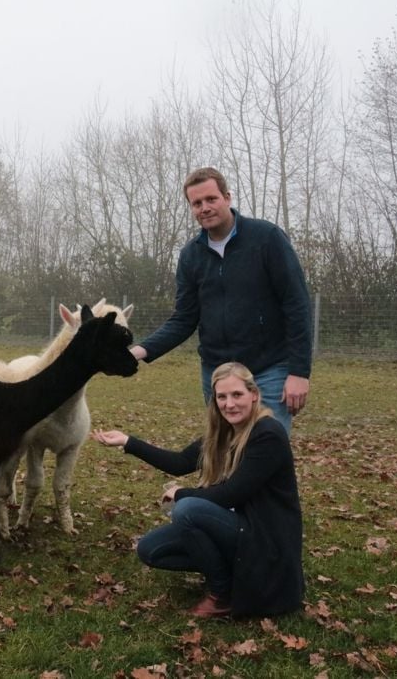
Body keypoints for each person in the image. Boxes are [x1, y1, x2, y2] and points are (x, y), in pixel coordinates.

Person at [91, 362, 304, 618]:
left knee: (188, 510)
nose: (229, 404)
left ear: (254, 395)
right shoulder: (223, 434)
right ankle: (229, 571)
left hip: (265, 538)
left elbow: (231, 495)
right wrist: (128, 441)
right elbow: (179, 463)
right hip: (240, 527)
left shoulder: (267, 433)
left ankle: (222, 594)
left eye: (237, 395)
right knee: (150, 549)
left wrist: (180, 494)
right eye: (222, 397)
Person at [130, 167, 312, 433]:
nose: (204, 208)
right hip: (218, 374)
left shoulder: (267, 239)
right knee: (224, 455)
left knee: (268, 453)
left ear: (227, 197)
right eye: (197, 203)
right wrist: (138, 351)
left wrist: (299, 372)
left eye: (211, 199)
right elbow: (184, 319)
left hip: (268, 369)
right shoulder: (191, 256)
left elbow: (297, 305)